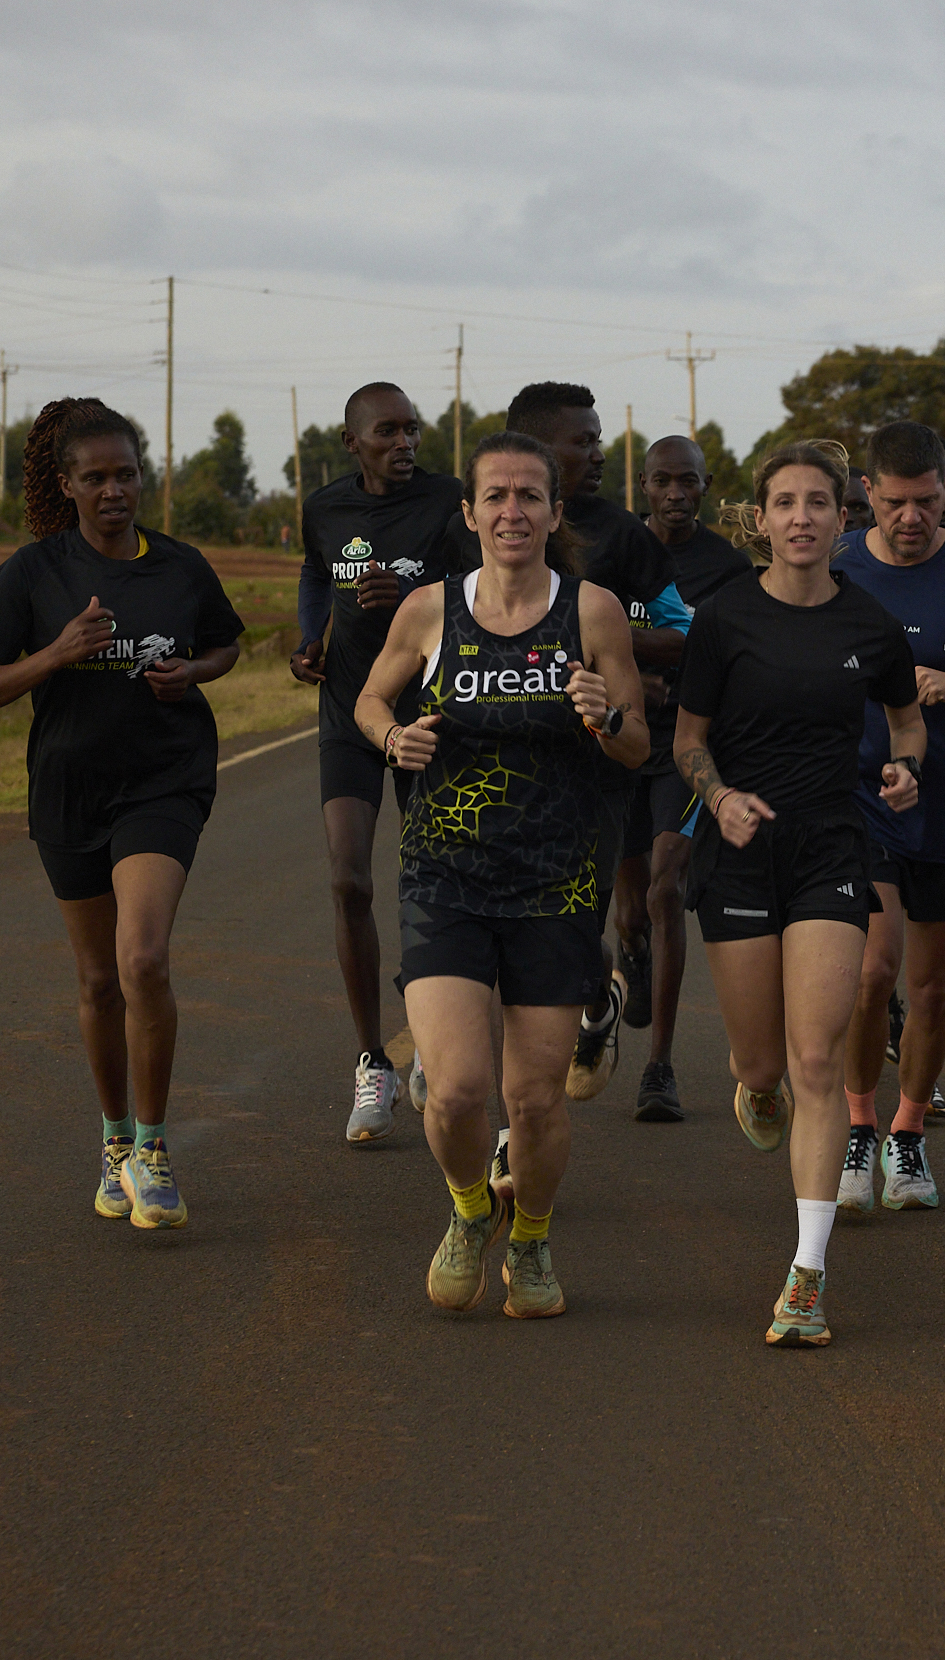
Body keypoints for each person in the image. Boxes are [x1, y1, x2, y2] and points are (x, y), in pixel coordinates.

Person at [358, 429, 649, 1319]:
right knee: (452, 1092)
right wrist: (390, 737)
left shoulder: (592, 610)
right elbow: (372, 696)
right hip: (445, 870)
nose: (513, 511)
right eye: (497, 496)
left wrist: (605, 717)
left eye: (531, 495)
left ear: (555, 512)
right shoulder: (429, 609)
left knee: (533, 1097)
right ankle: (470, 1208)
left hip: (556, 880)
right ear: (470, 512)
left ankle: (531, 1237)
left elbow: (638, 747)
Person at [0, 398, 245, 1232]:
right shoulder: (34, 573)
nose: (114, 490)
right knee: (95, 980)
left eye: (126, 474)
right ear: (68, 484)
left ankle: (156, 1151)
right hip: (68, 790)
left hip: (163, 780)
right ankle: (116, 1142)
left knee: (143, 958)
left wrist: (194, 671)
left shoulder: (181, 567)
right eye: (96, 478)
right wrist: (56, 653)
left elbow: (225, 642)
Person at [677, 441, 927, 1347]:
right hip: (740, 851)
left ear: (840, 517)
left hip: (831, 846)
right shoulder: (724, 618)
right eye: (783, 502)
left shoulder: (869, 623)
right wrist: (717, 796)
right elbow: (687, 738)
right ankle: (758, 1088)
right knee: (763, 1066)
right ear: (761, 518)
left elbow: (907, 720)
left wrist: (904, 769)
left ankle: (808, 1274)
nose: (801, 518)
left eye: (818, 502)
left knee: (817, 1058)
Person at [498, 383, 688, 1113]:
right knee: (509, 930)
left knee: (577, 926)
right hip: (505, 767)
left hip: (599, 764)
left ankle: (594, 1002)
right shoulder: (483, 526)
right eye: (586, 440)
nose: (602, 453)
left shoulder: (623, 536)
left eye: (601, 438)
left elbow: (681, 632)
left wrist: (605, 641)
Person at [289, 383, 469, 1142]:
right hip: (350, 713)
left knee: (436, 883)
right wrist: (310, 638)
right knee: (348, 877)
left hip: (432, 715)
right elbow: (313, 573)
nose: (404, 443)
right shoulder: (326, 507)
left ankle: (435, 1037)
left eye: (412, 429)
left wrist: (421, 597)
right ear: (351, 441)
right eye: (387, 431)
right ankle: (372, 1061)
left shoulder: (449, 501)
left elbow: (481, 591)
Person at [831, 420, 945, 1211]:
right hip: (856, 796)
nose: (911, 518)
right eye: (895, 502)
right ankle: (859, 1124)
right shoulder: (834, 569)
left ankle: (907, 1135)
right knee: (871, 972)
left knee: (931, 988)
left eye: (927, 502)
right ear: (868, 493)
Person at [621, 435, 753, 1123]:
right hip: (612, 746)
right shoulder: (615, 551)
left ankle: (659, 1067)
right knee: (627, 908)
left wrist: (663, 666)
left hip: (685, 746)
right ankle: (628, 952)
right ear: (642, 483)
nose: (676, 493)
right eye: (662, 481)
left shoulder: (726, 566)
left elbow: (730, 652)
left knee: (665, 887)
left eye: (689, 482)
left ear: (706, 487)